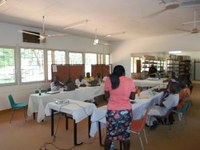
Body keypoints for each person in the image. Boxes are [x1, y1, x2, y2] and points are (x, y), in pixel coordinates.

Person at [104, 65, 136, 150]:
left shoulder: (108, 80)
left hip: (112, 112)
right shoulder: (130, 81)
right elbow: (133, 97)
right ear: (123, 73)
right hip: (126, 112)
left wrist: (114, 95)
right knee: (125, 135)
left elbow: (106, 95)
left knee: (109, 135)